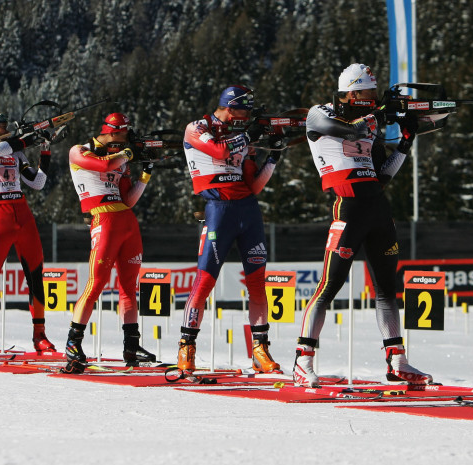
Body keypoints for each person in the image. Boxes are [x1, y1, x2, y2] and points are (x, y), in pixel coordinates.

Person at [292, 63, 432, 387]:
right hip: (348, 207)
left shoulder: (369, 123)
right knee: (330, 285)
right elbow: (348, 130)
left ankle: (397, 361)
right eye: (369, 92)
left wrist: (406, 142)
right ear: (352, 92)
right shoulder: (320, 113)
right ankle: (303, 360)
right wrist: (378, 116)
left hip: (377, 208)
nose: (373, 97)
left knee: (387, 289)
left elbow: (383, 174)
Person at [178, 85, 283, 374]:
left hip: (247, 210)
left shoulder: (240, 136)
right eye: (243, 110)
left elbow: (254, 186)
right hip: (217, 210)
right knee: (205, 280)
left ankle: (260, 350)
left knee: (258, 282)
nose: (246, 116)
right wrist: (248, 136)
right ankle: (187, 346)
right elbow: (218, 149)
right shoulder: (197, 127)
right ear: (230, 107)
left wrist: (273, 156)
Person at [62, 113, 156, 373]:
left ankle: (131, 345)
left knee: (129, 287)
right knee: (96, 283)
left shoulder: (120, 158)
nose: (127, 142)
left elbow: (128, 199)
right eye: (125, 136)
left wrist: (146, 173)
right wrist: (128, 153)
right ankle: (73, 343)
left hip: (126, 220)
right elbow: (103, 166)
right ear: (114, 133)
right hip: (103, 219)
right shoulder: (79, 150)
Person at [0, 112, 56, 355]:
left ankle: (40, 335)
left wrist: (44, 149)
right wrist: (27, 139)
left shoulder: (14, 152)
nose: (5, 129)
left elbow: (37, 182)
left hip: (22, 213)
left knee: (36, 275)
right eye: (1, 126)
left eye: (6, 126)